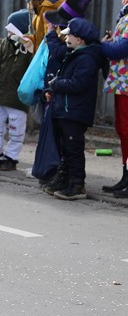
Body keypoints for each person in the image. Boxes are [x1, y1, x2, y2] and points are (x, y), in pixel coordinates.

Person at [41, 18, 106, 200]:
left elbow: (79, 83)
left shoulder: (87, 58)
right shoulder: (75, 54)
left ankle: (77, 184)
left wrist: (56, 84)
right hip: (66, 109)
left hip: (75, 112)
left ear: (80, 39)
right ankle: (66, 178)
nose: (66, 38)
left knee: (73, 148)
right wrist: (51, 89)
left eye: (69, 35)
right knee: (66, 147)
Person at [0, 11, 32, 172]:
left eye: (11, 29)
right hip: (1, 94)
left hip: (18, 97)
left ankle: (11, 158)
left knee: (16, 130)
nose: (8, 33)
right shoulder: (5, 43)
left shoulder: (30, 47)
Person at [101, 0, 128, 197]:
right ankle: (125, 175)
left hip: (126, 83)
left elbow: (122, 48)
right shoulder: (124, 15)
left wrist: (103, 46)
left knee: (127, 130)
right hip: (123, 82)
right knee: (122, 129)